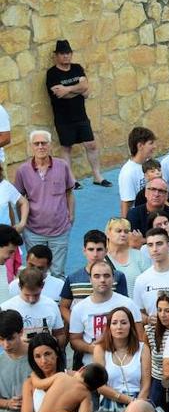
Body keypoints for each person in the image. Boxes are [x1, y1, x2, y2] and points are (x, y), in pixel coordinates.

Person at [44, 41, 108, 188]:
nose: (66, 56)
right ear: (56, 56)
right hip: (63, 118)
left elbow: (86, 87)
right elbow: (59, 94)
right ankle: (72, 180)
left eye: (68, 53)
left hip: (81, 116)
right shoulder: (52, 73)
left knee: (91, 145)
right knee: (67, 147)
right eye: (62, 53)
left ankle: (97, 176)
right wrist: (76, 90)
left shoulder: (77, 68)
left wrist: (67, 89)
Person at [13, 131, 75, 277]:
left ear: (50, 145)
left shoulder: (62, 166)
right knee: (35, 272)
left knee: (57, 272)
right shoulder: (22, 171)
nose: (40, 146)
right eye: (37, 143)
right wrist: (22, 221)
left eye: (44, 143)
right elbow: (19, 199)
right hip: (33, 231)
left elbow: (69, 192)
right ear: (31, 147)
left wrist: (71, 215)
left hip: (60, 229)